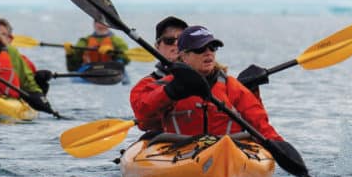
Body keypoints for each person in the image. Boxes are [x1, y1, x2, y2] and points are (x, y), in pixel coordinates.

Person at [130, 25, 281, 142]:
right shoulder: (166, 84)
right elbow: (143, 118)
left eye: (212, 47)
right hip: (180, 151)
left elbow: (261, 125)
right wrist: (169, 92)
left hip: (230, 149)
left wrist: (277, 144)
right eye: (200, 49)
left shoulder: (231, 86)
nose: (208, 52)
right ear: (184, 56)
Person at [0, 17, 54, 93]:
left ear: (10, 39)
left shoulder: (24, 61)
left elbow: (31, 84)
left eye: (2, 35)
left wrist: (40, 79)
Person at [65, 19, 132, 72]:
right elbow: (72, 68)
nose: (101, 26)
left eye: (104, 23)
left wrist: (113, 53)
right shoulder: (84, 41)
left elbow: (126, 60)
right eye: (99, 22)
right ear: (94, 24)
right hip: (89, 70)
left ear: (109, 25)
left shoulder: (117, 41)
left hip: (112, 70)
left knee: (120, 63)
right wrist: (69, 54)